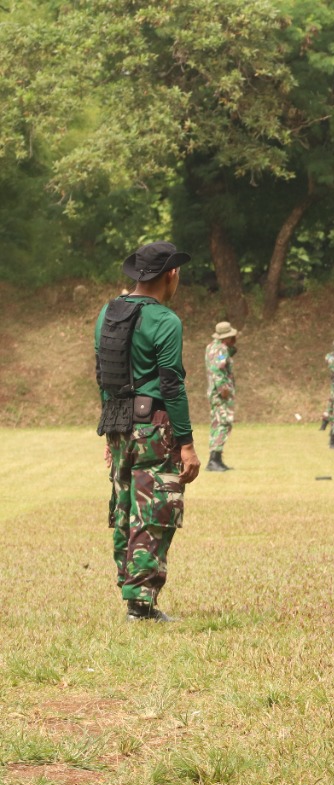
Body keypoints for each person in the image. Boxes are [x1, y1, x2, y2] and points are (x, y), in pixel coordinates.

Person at [95, 241, 201, 621]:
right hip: (154, 428)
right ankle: (141, 603)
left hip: (119, 424)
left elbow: (103, 374)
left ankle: (130, 588)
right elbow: (171, 384)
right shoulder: (166, 321)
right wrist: (186, 443)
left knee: (124, 507)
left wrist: (110, 429)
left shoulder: (108, 314)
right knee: (154, 510)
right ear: (171, 274)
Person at [205, 321, 239, 472]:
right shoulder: (220, 349)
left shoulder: (212, 347)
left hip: (214, 392)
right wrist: (223, 388)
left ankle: (217, 459)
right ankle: (214, 460)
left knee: (217, 423)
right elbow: (217, 370)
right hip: (220, 393)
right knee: (222, 424)